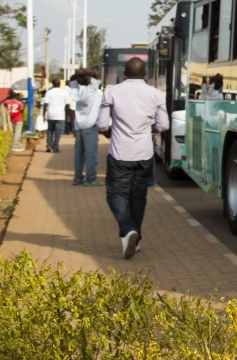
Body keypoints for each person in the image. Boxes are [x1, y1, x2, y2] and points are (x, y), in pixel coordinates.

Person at [96, 57, 169, 259]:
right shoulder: (155, 94)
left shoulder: (111, 92)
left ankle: (127, 230)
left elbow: (102, 125)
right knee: (138, 197)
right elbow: (163, 125)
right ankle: (134, 242)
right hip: (144, 154)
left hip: (120, 153)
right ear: (145, 73)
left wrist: (113, 131)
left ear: (124, 73)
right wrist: (147, 128)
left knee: (115, 194)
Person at [70, 68, 103, 186]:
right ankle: (91, 179)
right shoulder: (91, 89)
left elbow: (72, 79)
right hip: (90, 125)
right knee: (91, 154)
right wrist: (85, 71)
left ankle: (77, 178)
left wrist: (79, 73)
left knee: (79, 154)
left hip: (78, 126)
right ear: (89, 80)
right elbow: (97, 74)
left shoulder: (75, 90)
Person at [42, 79, 72, 153]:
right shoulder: (64, 92)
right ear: (60, 84)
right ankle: (55, 147)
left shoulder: (49, 92)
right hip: (60, 115)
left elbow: (45, 104)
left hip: (50, 114)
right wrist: (67, 115)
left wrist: (44, 115)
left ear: (52, 84)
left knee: (50, 131)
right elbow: (68, 105)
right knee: (58, 132)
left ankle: (49, 145)